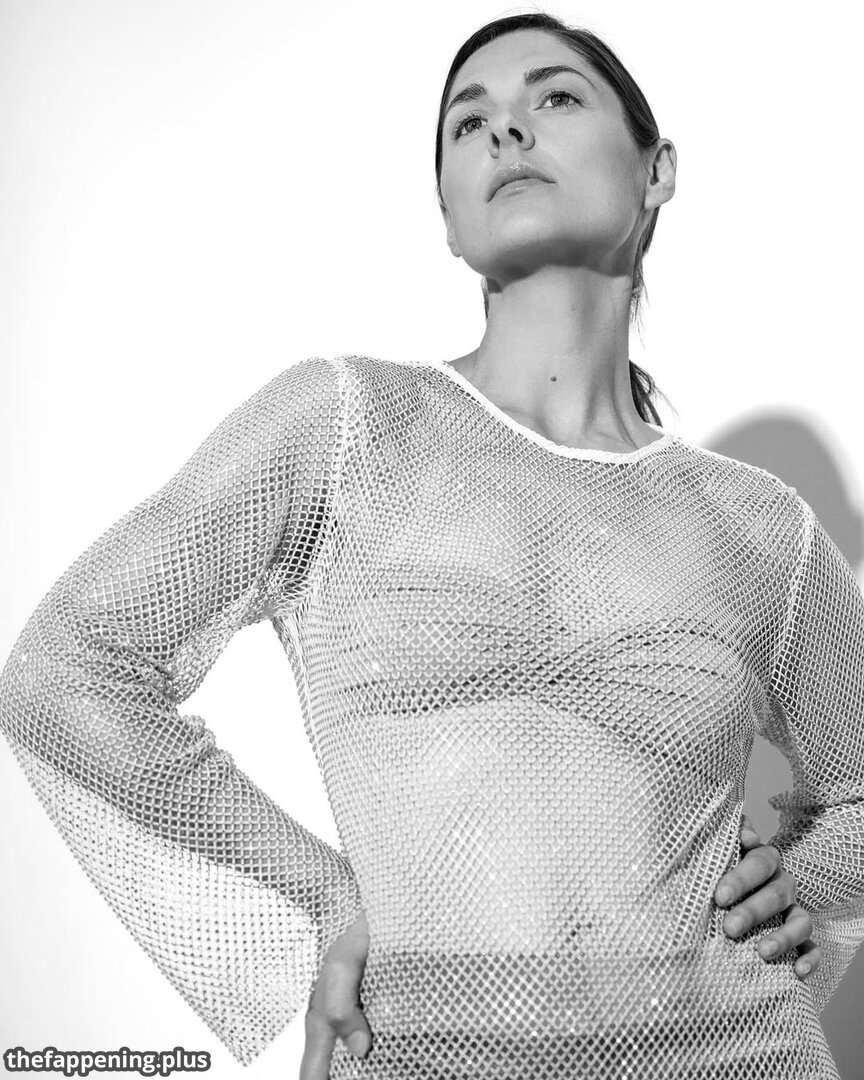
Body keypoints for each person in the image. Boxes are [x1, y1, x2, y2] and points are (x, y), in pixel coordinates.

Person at [0, 11, 859, 1080]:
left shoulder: (760, 526)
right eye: (468, 122)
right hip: (418, 1053)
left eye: (555, 97)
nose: (506, 131)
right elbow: (67, 669)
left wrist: (807, 886)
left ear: (657, 172)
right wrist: (323, 899)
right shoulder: (344, 429)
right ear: (448, 219)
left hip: (737, 1056)